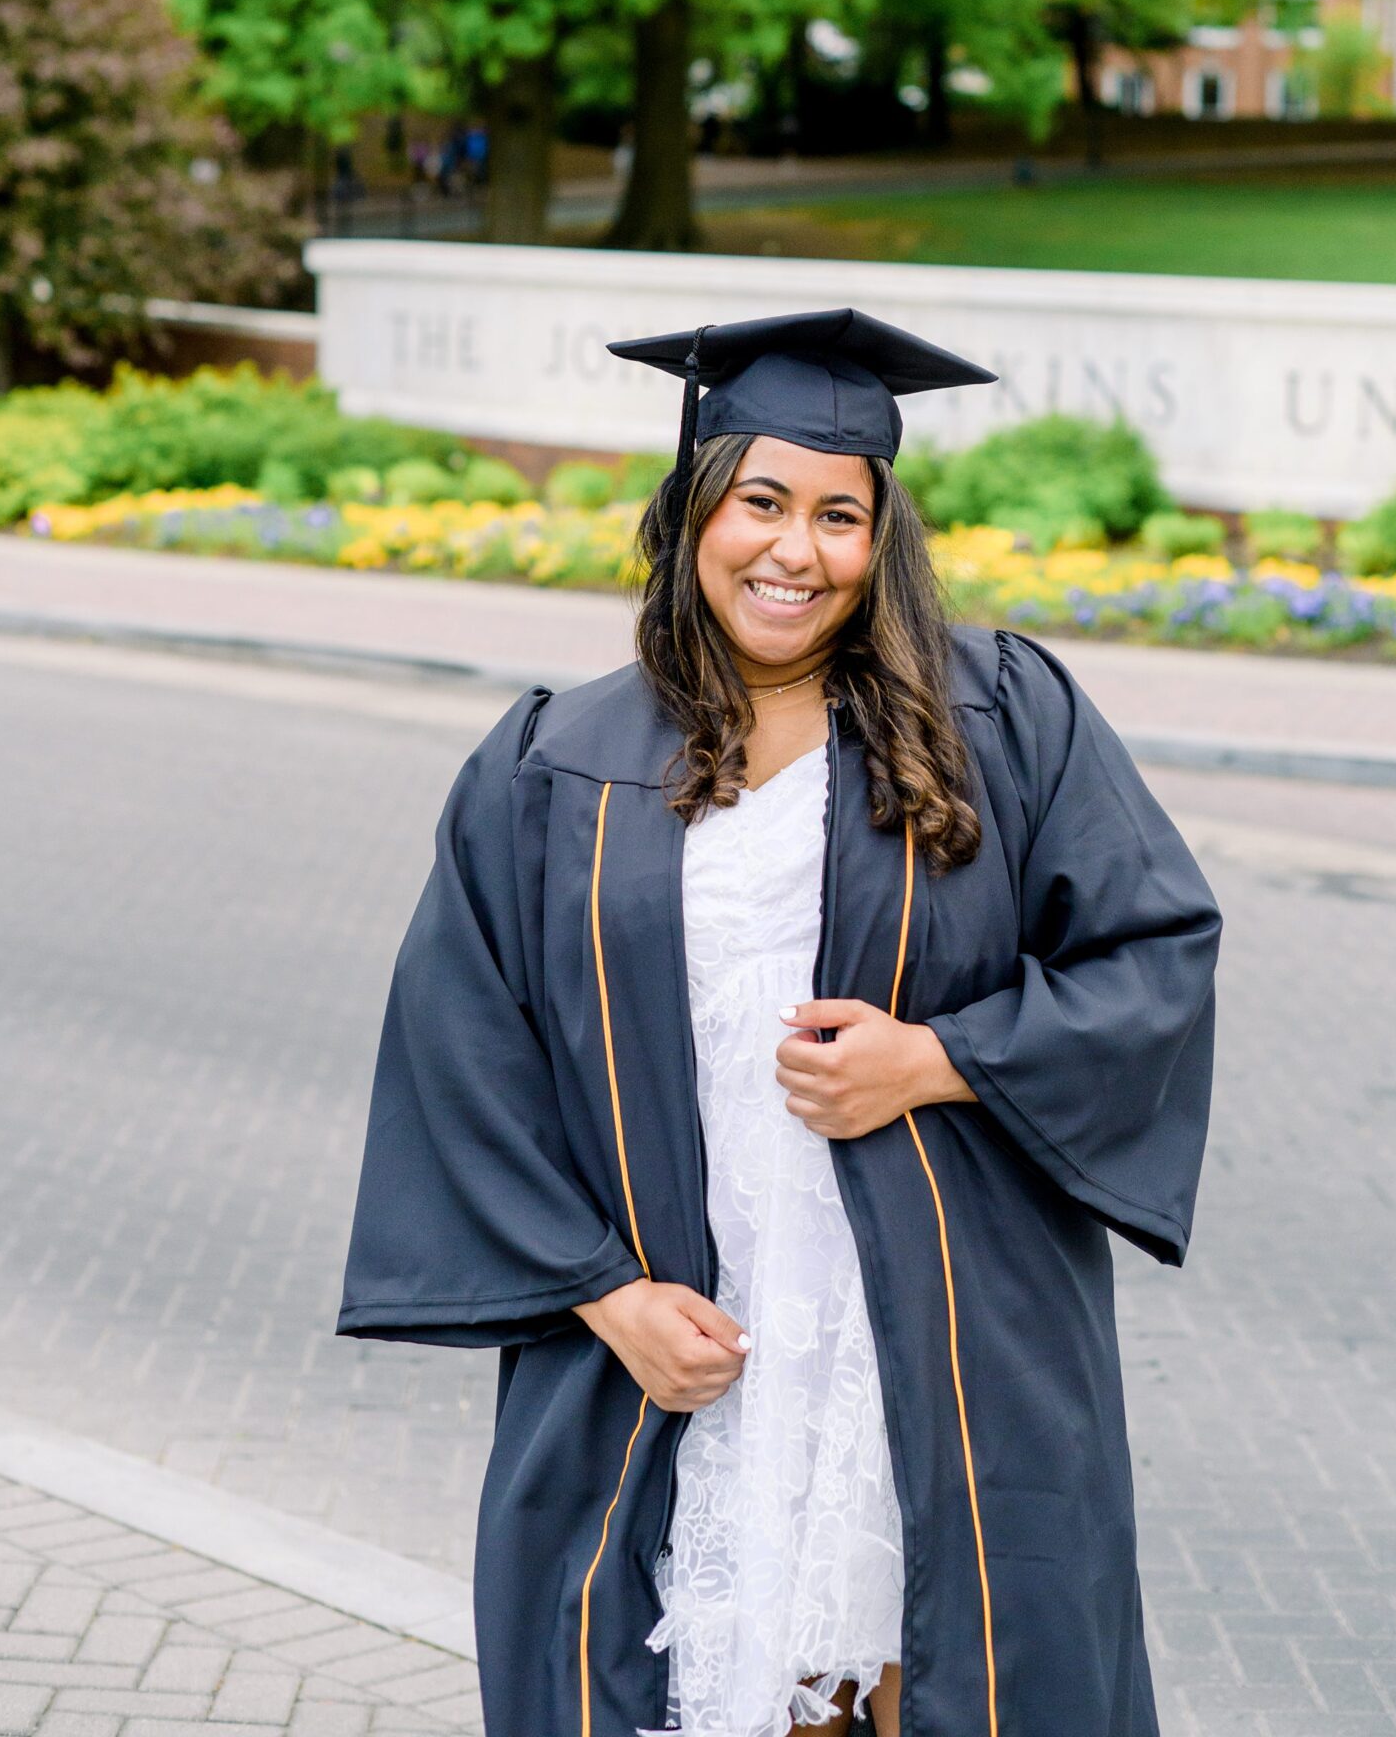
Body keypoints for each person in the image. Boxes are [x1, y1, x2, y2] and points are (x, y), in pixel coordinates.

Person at [336, 307, 1222, 1737]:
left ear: (884, 541)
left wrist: (933, 1061)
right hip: (683, 1343)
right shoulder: (556, 765)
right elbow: (463, 1053)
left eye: (838, 515)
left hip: (932, 1337)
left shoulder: (1003, 722)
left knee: (940, 1667)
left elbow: (1154, 955)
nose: (793, 551)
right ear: (694, 510)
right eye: (761, 502)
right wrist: (608, 1298)